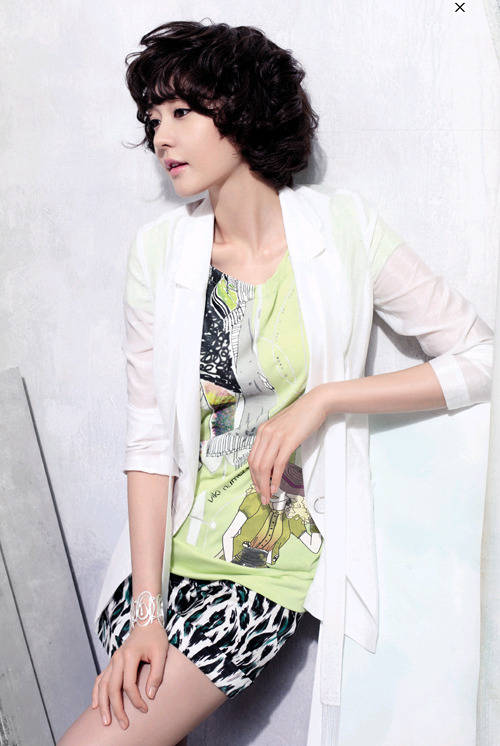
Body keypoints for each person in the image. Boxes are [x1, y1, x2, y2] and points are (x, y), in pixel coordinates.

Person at [57, 19, 494, 746]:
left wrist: (325, 399)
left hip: (263, 572)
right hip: (155, 574)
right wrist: (145, 616)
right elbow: (149, 442)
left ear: (242, 109)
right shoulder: (158, 253)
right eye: (153, 119)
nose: (161, 137)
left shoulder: (344, 231)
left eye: (182, 112)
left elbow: (479, 358)